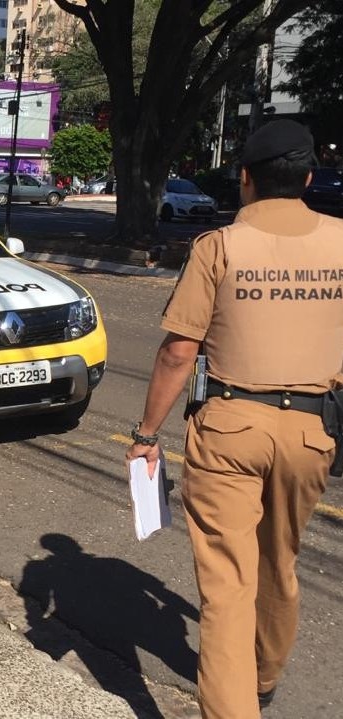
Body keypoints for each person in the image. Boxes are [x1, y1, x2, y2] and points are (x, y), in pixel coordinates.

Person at [126, 119, 343, 719]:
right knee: (281, 561)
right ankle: (264, 679)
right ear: (306, 177)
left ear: (243, 178)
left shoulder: (219, 247)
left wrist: (147, 436)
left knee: (227, 586)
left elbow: (178, 351)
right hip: (312, 429)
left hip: (229, 429)